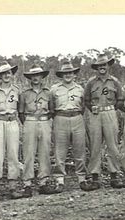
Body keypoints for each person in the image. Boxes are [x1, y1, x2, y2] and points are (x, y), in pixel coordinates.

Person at [84, 54, 125, 191]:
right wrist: (92, 108)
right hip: (95, 115)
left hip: (109, 113)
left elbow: (120, 99)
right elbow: (86, 100)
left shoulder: (114, 82)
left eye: (104, 65)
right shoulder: (91, 82)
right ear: (96, 68)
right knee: (95, 144)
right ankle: (95, 177)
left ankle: (114, 176)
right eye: (99, 66)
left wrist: (113, 109)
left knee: (112, 144)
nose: (102, 67)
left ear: (108, 66)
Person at [50, 61, 88, 193]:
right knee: (60, 151)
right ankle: (59, 180)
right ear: (61, 75)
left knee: (80, 149)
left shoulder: (80, 89)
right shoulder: (54, 89)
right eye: (65, 73)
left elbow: (83, 106)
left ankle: (82, 179)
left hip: (77, 118)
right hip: (60, 118)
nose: (68, 75)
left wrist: (75, 114)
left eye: (70, 73)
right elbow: (51, 107)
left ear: (74, 74)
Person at [0, 61, 23, 200]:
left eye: (8, 73)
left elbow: (21, 108)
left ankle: (13, 186)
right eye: (3, 74)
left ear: (12, 74)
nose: (6, 75)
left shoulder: (17, 90)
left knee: (13, 154)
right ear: (0, 76)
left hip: (12, 122)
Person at [19, 62, 55, 197]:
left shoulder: (48, 93)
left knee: (45, 151)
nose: (35, 78)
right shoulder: (24, 94)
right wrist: (30, 122)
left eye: (38, 75)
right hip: (30, 122)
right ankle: (27, 183)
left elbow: (52, 110)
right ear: (30, 78)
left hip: (45, 122)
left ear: (42, 77)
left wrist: (44, 120)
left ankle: (43, 181)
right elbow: (21, 113)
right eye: (33, 75)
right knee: (29, 153)